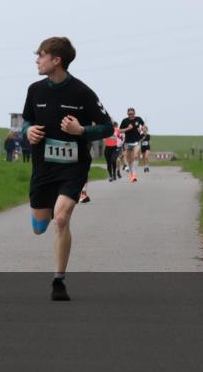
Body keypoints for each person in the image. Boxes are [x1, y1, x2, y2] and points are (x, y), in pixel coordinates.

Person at [22, 37, 113, 301]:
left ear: (56, 60)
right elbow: (26, 120)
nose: (37, 60)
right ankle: (49, 207)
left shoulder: (82, 92)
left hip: (73, 168)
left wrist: (82, 130)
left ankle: (58, 281)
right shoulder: (35, 90)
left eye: (40, 55)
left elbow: (107, 126)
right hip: (43, 168)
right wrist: (28, 131)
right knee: (39, 227)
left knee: (61, 219)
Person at [119, 108, 146, 182]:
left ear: (134, 113)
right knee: (129, 160)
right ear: (127, 114)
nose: (131, 115)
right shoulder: (125, 121)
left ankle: (134, 174)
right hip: (128, 142)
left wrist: (143, 129)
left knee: (136, 156)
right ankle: (132, 175)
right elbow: (120, 130)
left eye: (132, 114)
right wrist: (128, 128)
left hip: (136, 141)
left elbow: (143, 126)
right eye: (129, 114)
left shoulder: (138, 119)